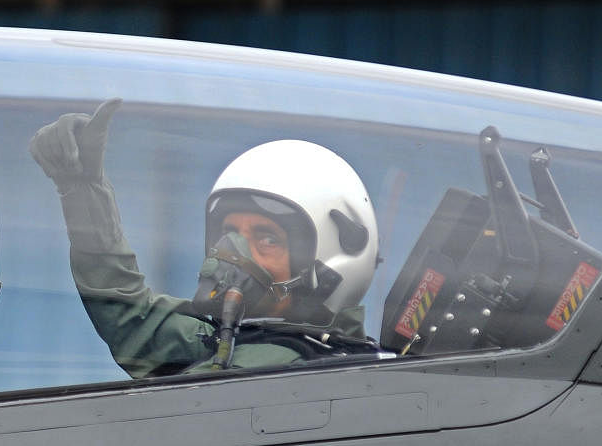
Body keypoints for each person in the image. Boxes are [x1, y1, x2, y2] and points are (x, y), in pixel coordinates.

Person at [29, 98, 384, 378]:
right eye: (228, 234)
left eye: (267, 239)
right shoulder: (227, 344)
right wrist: (82, 190)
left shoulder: (271, 373)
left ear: (330, 264)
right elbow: (132, 319)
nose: (233, 254)